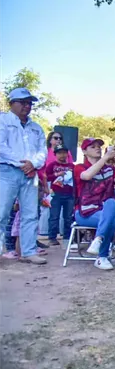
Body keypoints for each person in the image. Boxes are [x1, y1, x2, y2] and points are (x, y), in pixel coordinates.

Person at [0, 88, 48, 265]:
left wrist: (33, 164)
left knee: (30, 214)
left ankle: (28, 251)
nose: (27, 106)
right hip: (7, 170)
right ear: (11, 103)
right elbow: (1, 146)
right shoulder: (3, 121)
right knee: (2, 212)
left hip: (30, 173)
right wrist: (23, 163)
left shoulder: (36, 128)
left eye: (29, 103)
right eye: (22, 102)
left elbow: (42, 151)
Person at [74, 138, 115, 271]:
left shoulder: (110, 169)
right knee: (112, 220)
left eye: (99, 146)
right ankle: (102, 256)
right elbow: (86, 176)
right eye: (92, 147)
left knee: (111, 202)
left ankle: (98, 240)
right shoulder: (79, 167)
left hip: (104, 209)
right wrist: (105, 158)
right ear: (84, 151)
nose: (97, 148)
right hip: (84, 212)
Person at [45, 144, 75, 246]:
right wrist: (56, 175)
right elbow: (46, 177)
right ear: (55, 154)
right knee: (54, 216)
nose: (62, 155)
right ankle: (52, 237)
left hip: (69, 194)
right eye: (59, 153)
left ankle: (67, 237)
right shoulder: (52, 165)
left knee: (68, 217)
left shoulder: (72, 166)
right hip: (55, 193)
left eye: (64, 153)